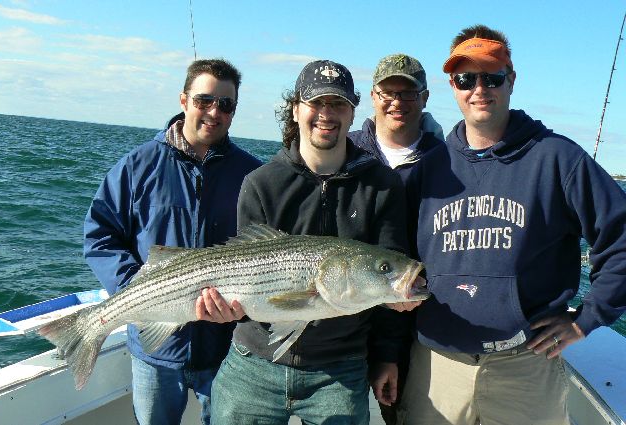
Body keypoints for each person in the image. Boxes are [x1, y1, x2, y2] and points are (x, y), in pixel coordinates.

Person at [398, 24, 626, 425]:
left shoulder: (559, 159)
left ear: (512, 80)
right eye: (466, 79)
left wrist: (587, 319)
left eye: (493, 77)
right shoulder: (427, 169)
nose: (479, 89)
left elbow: (621, 237)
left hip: (527, 367)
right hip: (436, 365)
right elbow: (396, 255)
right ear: (452, 85)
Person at [195, 59, 417, 424]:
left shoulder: (382, 185)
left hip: (340, 370)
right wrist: (226, 309)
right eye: (316, 103)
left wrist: (387, 356)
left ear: (352, 112)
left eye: (338, 104)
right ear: (295, 109)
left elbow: (389, 271)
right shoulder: (261, 182)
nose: (326, 114)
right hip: (254, 363)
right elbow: (243, 275)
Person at [83, 59, 262, 425]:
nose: (214, 112)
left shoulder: (253, 176)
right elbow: (100, 235)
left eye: (225, 104)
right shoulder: (138, 165)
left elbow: (266, 253)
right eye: (203, 100)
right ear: (184, 100)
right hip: (156, 348)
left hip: (227, 348)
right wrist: (140, 288)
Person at [347, 53, 444, 424]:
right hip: (344, 316)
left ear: (425, 98)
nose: (397, 102)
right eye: (388, 92)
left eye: (408, 93)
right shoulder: (347, 151)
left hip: (412, 318)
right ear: (373, 96)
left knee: (400, 412)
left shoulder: (446, 160)